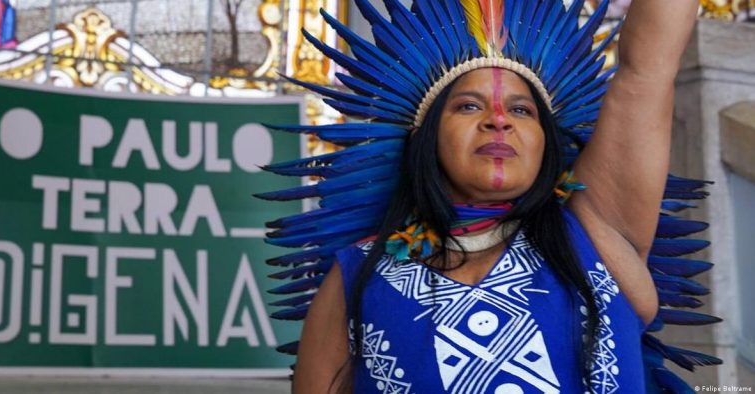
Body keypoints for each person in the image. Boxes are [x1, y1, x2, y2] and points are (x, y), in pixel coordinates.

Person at [257, 0, 718, 392]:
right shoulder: (356, 277)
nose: (499, 120)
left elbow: (647, 68)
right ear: (425, 137)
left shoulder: (598, 232)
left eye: (521, 109)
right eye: (468, 106)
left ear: (546, 143)